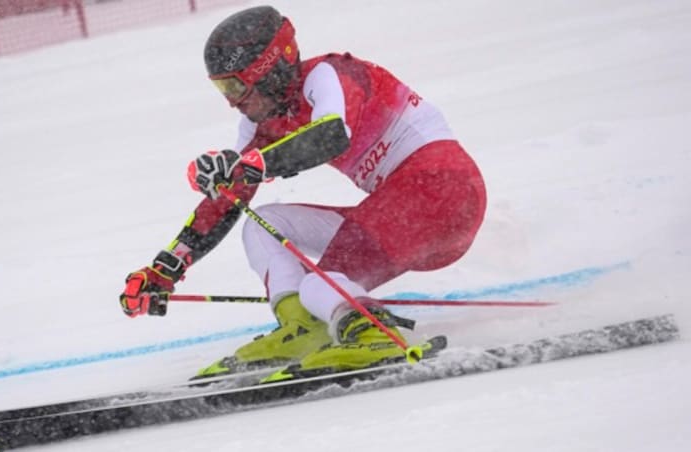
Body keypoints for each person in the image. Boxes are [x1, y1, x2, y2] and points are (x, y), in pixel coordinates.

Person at [119, 5, 486, 381]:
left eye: (235, 85)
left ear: (270, 70)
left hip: (443, 193)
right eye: (222, 88)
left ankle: (374, 333)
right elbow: (229, 198)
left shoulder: (327, 75)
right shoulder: (260, 122)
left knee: (318, 284)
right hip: (398, 214)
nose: (233, 100)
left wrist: (250, 164)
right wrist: (165, 268)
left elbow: (330, 135)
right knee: (263, 226)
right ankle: (303, 328)